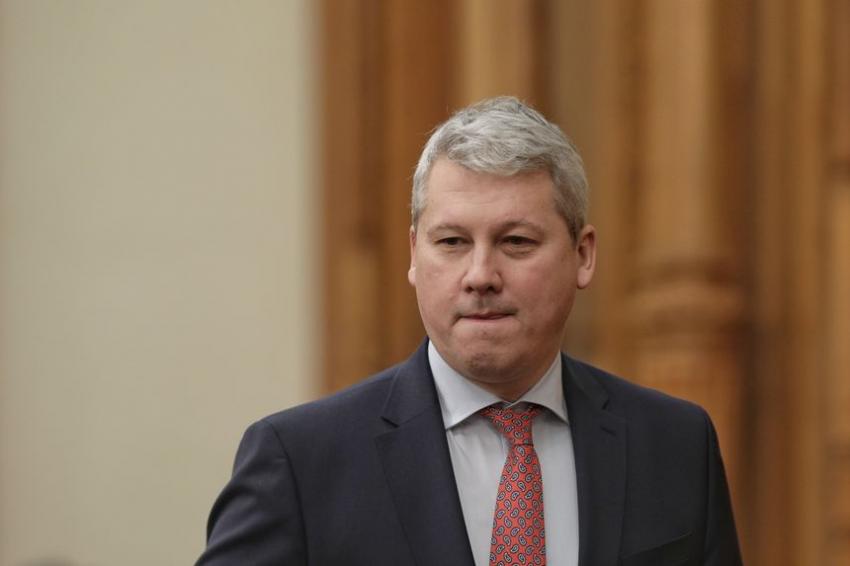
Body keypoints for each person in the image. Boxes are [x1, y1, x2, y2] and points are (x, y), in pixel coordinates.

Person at [196, 97, 743, 566]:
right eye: (452, 242)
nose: (480, 275)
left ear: (582, 255)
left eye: (516, 242)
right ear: (415, 255)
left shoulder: (675, 444)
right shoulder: (300, 462)